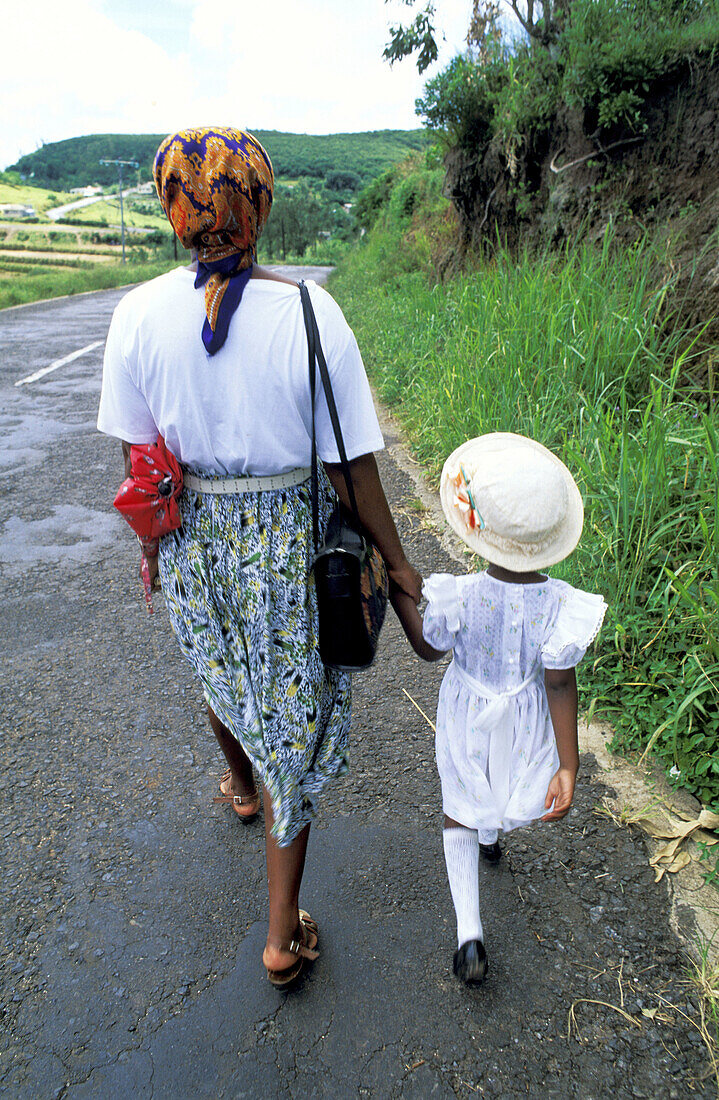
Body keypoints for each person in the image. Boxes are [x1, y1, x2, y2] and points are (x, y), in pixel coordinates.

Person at [97, 127, 421, 987]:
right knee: (291, 722)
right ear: (261, 206)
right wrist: (400, 567)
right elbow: (351, 472)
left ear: (173, 212)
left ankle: (239, 785)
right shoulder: (311, 314)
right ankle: (282, 934)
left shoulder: (135, 315)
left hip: (195, 541)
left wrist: (159, 551)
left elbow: (140, 463)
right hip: (289, 549)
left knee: (220, 673)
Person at [393, 433, 606, 985]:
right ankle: (493, 839)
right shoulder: (560, 604)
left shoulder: (459, 595)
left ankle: (470, 935)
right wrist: (568, 764)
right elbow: (559, 685)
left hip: (468, 713)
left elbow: (427, 647)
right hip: (525, 716)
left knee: (462, 800)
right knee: (504, 777)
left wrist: (401, 592)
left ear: (480, 534)